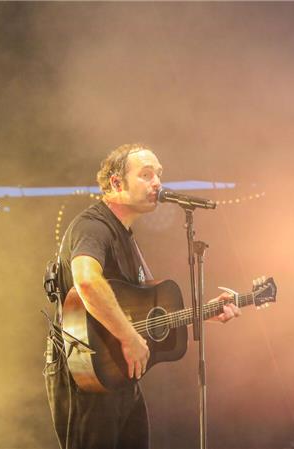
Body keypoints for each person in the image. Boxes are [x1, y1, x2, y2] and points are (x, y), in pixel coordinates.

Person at [45, 143, 241, 449]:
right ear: (116, 183)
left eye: (158, 175)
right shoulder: (93, 226)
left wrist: (205, 312)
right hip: (86, 374)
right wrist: (129, 338)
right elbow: (86, 282)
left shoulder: (127, 237)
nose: (157, 183)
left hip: (119, 375)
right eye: (146, 175)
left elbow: (148, 311)